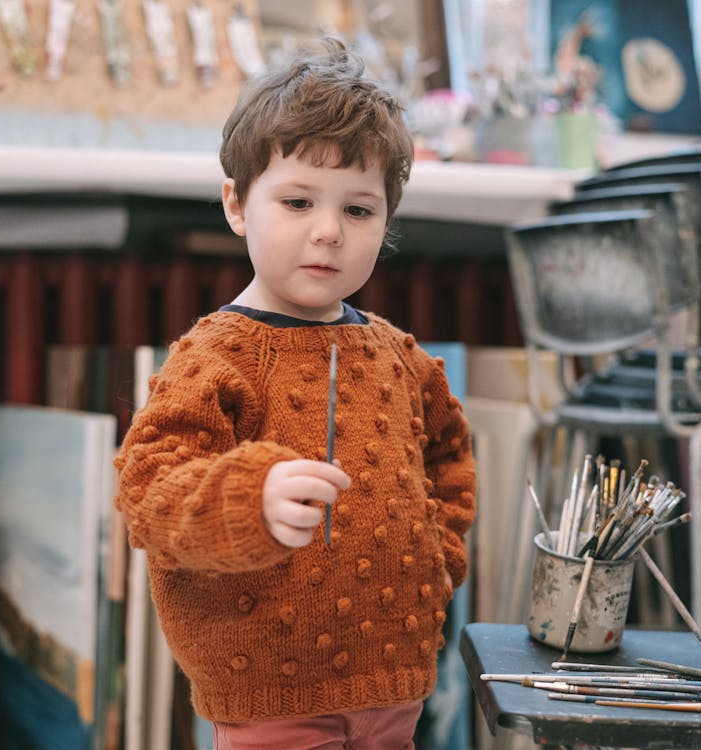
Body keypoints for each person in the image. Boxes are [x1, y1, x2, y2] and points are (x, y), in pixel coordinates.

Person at [113, 37, 477, 750]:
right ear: (237, 205)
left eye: (359, 211)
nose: (327, 232)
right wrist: (252, 500)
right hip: (267, 696)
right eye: (298, 200)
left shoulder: (401, 358)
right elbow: (148, 492)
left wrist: (436, 561)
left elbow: (448, 462)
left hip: (395, 684)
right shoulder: (215, 355)